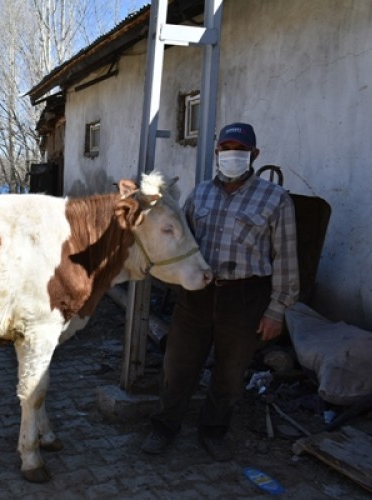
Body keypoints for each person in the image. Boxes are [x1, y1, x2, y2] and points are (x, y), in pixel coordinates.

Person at [142, 122, 299, 461]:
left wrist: (277, 309)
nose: (232, 155)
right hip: (197, 295)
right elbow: (179, 244)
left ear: (254, 155)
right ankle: (163, 428)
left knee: (229, 373)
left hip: (245, 298)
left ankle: (213, 431)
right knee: (177, 366)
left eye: (239, 150)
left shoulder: (276, 199)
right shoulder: (199, 195)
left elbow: (286, 258)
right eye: (225, 149)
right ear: (216, 154)